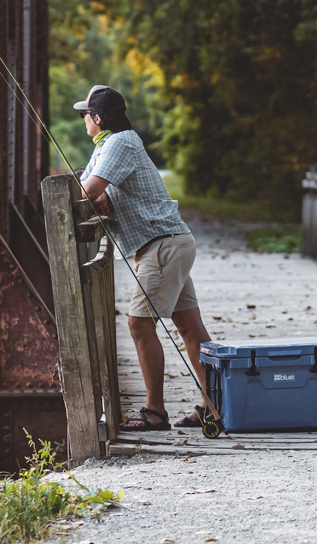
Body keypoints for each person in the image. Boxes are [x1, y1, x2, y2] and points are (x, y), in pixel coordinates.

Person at [74, 85, 212, 431]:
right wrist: (92, 186)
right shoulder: (110, 144)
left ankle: (155, 411)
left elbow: (87, 190)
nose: (83, 121)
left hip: (160, 245)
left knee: (139, 323)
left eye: (85, 115)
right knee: (190, 328)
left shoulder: (119, 143)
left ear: (98, 118)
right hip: (168, 243)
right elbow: (90, 183)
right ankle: (216, 404)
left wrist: (91, 188)